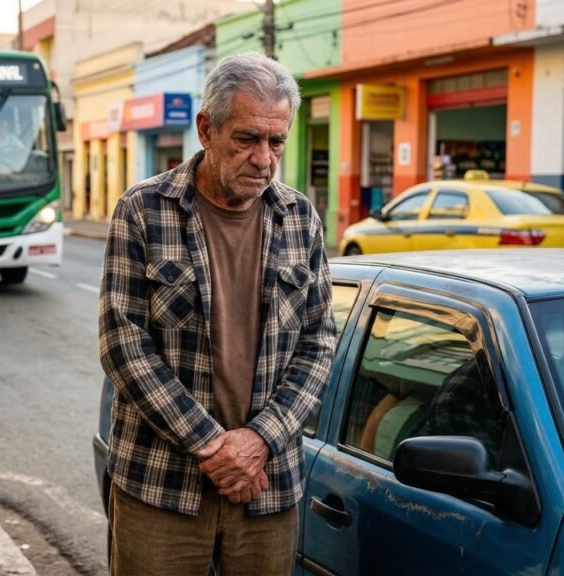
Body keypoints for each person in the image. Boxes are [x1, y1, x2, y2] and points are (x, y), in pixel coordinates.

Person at [98, 53, 336, 576]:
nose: (264, 158)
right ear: (207, 129)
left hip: (265, 485)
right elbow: (123, 344)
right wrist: (213, 445)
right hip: (161, 484)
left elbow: (319, 342)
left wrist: (260, 440)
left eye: (277, 142)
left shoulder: (300, 218)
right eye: (247, 139)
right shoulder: (144, 210)